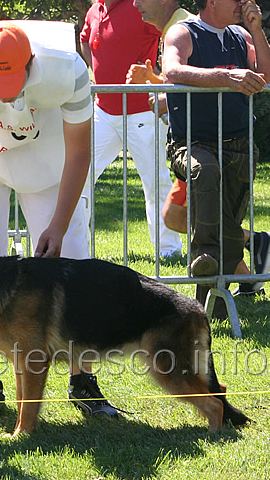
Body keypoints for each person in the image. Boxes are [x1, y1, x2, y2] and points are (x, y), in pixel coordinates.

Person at [0, 21, 121, 424]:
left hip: (51, 159)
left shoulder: (69, 71)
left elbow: (78, 155)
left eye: (9, 81)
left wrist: (57, 225)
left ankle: (83, 382)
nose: (1, 94)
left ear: (31, 65)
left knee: (72, 263)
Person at [129, 0, 270, 298]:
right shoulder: (183, 32)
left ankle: (211, 303)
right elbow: (172, 71)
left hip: (240, 146)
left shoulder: (241, 36)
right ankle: (204, 252)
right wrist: (226, 77)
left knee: (228, 223)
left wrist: (257, 31)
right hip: (192, 143)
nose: (244, 4)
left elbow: (266, 76)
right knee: (204, 170)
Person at [80, 0, 183, 259]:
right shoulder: (95, 9)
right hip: (102, 112)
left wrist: (159, 76)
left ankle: (169, 251)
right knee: (78, 177)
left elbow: (177, 33)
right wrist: (97, 73)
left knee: (155, 182)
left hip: (143, 112)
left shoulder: (141, 6)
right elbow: (85, 40)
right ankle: (77, 246)